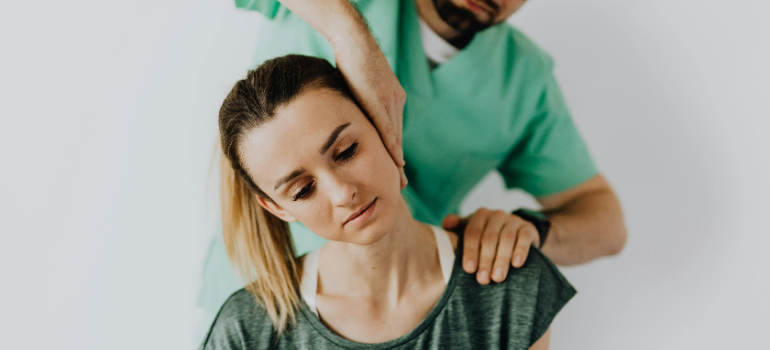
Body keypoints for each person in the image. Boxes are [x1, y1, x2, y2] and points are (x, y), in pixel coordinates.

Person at [199, 0, 627, 330]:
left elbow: (606, 224)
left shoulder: (523, 79)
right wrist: (351, 36)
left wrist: (530, 231)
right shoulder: (243, 325)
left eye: (347, 150)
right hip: (268, 296)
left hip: (411, 311)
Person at [201, 54, 574, 350]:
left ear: (385, 127)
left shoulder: (511, 289)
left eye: (346, 151)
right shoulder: (246, 330)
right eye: (302, 190)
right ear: (278, 208)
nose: (342, 193)